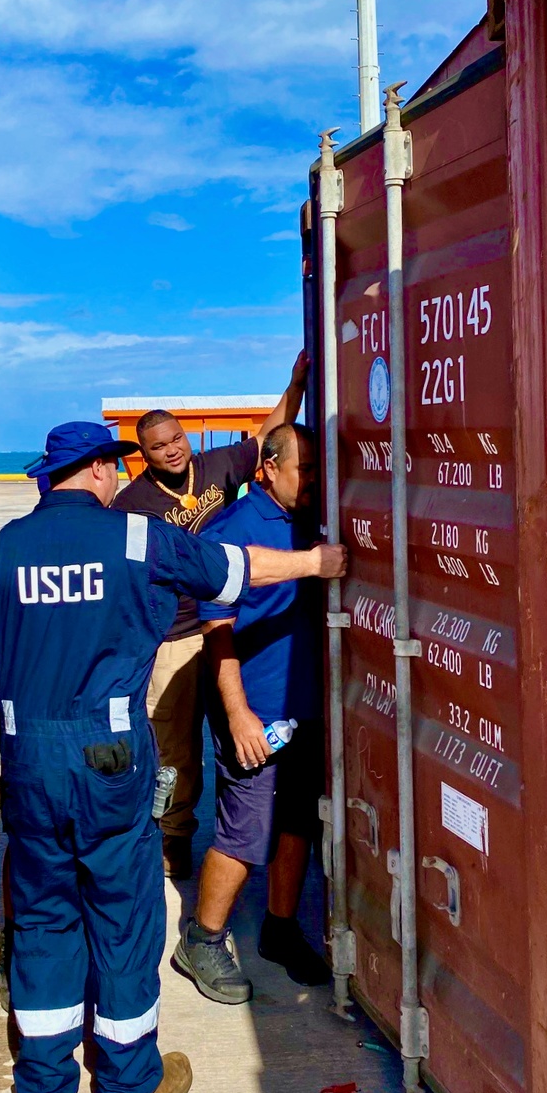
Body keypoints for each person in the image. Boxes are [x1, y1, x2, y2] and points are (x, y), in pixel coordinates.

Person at [0, 421, 347, 1093]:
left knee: (41, 920)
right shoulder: (136, 540)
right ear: (100, 470)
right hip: (106, 760)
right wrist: (316, 563)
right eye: (115, 465)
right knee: (123, 917)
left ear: (48, 478)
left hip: (29, 762)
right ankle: (126, 1089)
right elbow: (237, 569)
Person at [113, 350, 310, 880]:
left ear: (184, 437)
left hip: (226, 625)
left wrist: (295, 383)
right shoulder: (132, 504)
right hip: (173, 638)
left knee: (236, 731)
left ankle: (241, 825)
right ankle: (175, 835)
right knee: (174, 747)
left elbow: (272, 435)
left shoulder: (219, 465)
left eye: (176, 439)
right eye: (158, 447)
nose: (172, 451)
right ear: (144, 455)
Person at [174, 424, 331, 1005]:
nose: (314, 481)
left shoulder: (312, 521)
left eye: (318, 469)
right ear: (267, 468)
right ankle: (203, 938)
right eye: (305, 470)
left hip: (306, 707)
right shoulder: (232, 530)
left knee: (297, 823)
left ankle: (280, 929)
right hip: (255, 710)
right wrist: (237, 715)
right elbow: (215, 631)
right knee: (245, 834)